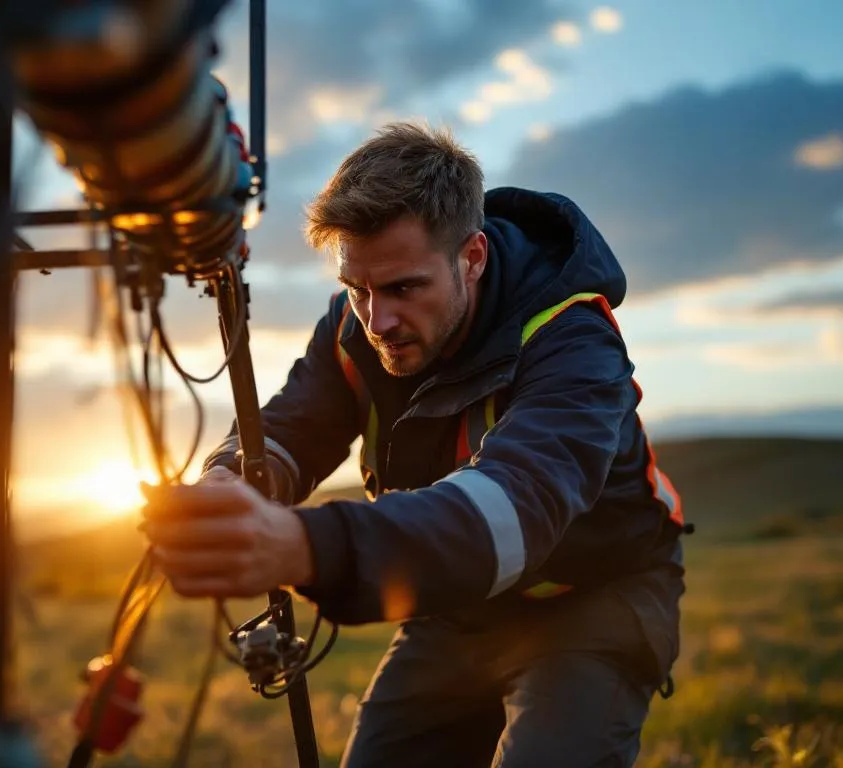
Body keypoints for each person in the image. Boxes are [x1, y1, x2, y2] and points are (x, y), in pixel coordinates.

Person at [138, 121, 689, 767]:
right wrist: (231, 481)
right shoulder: (356, 322)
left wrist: (305, 546)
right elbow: (294, 427)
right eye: (357, 288)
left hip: (592, 597)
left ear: (473, 256)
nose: (378, 320)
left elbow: (514, 512)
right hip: (458, 606)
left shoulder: (573, 342)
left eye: (404, 288)